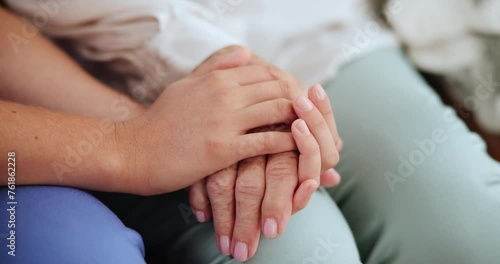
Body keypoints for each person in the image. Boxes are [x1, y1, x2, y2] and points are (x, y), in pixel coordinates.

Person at [4, 1, 500, 263]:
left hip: (306, 27)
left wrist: (251, 93)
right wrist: (139, 139)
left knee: (466, 226)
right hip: (91, 59)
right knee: (293, 251)